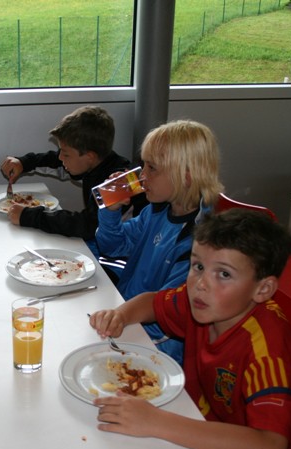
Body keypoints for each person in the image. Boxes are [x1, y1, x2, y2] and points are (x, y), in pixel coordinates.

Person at [89, 209, 291, 449]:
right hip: (197, 426)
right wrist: (120, 315)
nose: (201, 284)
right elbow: (152, 302)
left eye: (224, 274)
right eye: (198, 266)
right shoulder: (209, 303)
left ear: (263, 289)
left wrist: (157, 422)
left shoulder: (267, 352)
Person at [95, 119, 224, 363]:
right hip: (125, 318)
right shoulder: (156, 211)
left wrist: (120, 322)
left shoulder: (200, 242)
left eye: (152, 168)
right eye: (143, 165)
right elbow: (112, 247)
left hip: (156, 346)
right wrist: (111, 211)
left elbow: (167, 316)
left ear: (186, 176)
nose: (142, 175)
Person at [0, 105, 147, 248]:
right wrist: (23, 163)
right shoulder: (92, 162)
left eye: (66, 154)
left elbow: (87, 226)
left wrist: (30, 217)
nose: (60, 157)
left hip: (123, 254)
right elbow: (54, 161)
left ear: (89, 156)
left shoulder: (119, 182)